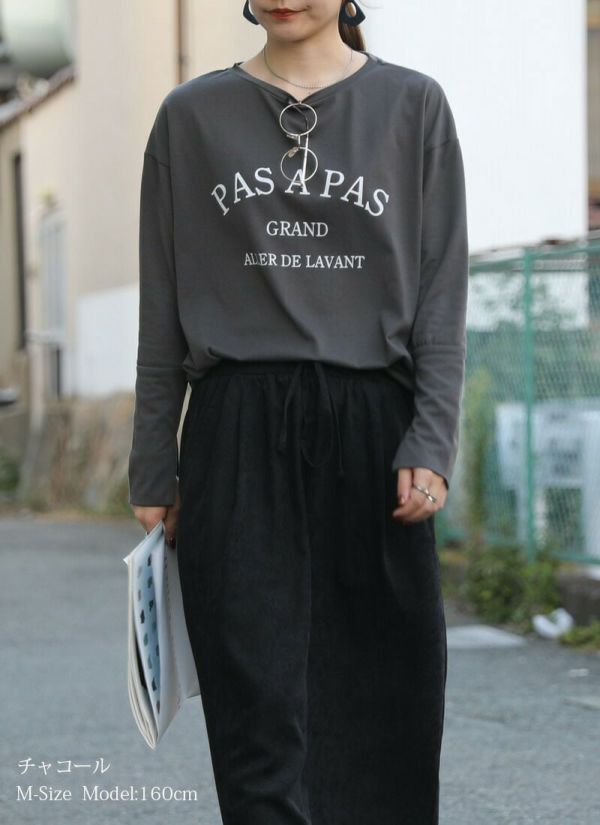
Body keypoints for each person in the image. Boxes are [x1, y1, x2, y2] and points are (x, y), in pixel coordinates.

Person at [128, 1, 469, 823]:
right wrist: (153, 462)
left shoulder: (412, 104)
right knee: (254, 699)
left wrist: (431, 437)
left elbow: (440, 288)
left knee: (386, 693)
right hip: (235, 427)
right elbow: (163, 302)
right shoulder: (191, 117)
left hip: (374, 425)